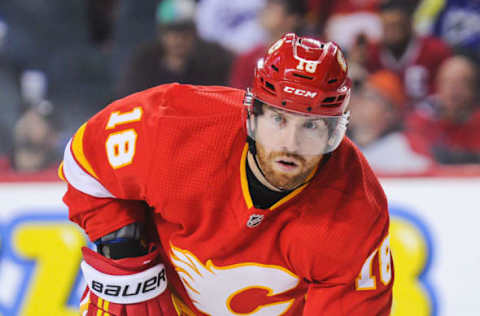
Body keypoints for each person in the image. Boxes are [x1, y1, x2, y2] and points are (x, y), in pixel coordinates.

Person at [59, 33, 393, 315]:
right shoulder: (175, 127)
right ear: (253, 116)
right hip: (160, 297)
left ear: (334, 134)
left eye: (312, 126)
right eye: (279, 120)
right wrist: (123, 248)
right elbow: (85, 160)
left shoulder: (356, 212)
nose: (292, 144)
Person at [116, 0, 233, 97]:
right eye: (172, 32)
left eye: (184, 31)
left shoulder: (214, 60)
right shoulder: (144, 62)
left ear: (194, 32)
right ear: (162, 33)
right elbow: (131, 99)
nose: (178, 39)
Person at [348, 70, 433, 174]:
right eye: (358, 95)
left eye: (369, 97)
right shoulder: (336, 147)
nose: (358, 102)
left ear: (389, 113)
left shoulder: (404, 149)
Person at [405, 55, 480, 164]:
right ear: (438, 86)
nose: (454, 90)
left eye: (462, 83)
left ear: (473, 89)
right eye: (448, 82)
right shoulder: (421, 121)